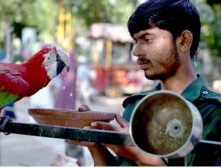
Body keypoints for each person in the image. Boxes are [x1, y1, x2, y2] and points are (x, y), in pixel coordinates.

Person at [72, 0, 221, 166]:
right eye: (136, 41)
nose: (136, 52)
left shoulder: (214, 114)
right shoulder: (137, 107)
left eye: (147, 39)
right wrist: (96, 145)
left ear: (184, 41)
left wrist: (141, 156)